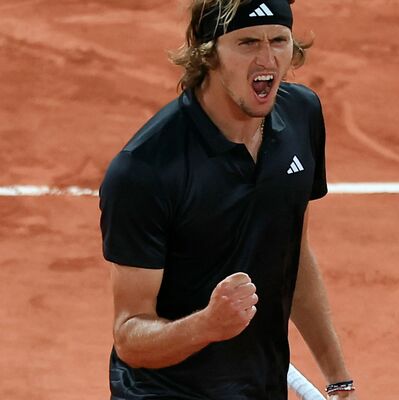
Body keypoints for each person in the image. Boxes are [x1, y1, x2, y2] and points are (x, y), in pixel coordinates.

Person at [98, 0, 357, 398]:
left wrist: (340, 380)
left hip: (259, 384)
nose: (267, 58)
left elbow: (294, 254)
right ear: (209, 54)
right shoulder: (146, 170)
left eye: (278, 40)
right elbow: (130, 337)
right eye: (247, 42)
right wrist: (207, 324)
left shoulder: (302, 115)